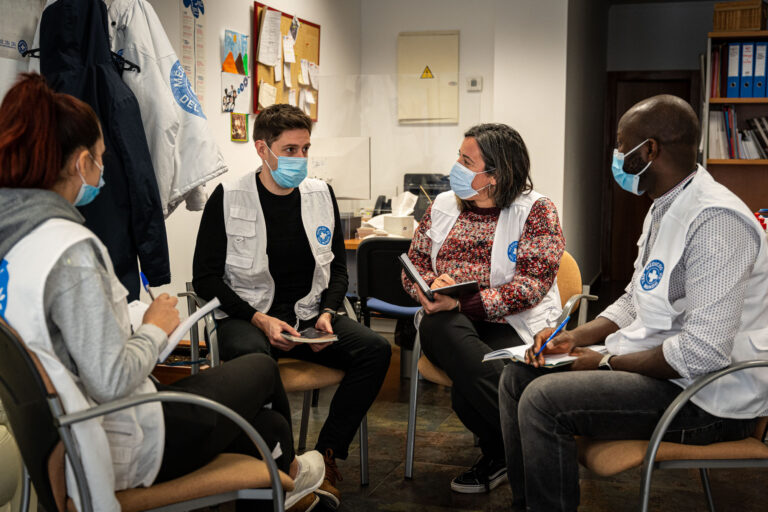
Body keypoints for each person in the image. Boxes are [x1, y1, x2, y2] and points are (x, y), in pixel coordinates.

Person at [0, 73, 325, 512]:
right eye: (101, 159)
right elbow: (111, 380)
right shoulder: (69, 250)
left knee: (265, 426)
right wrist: (155, 329)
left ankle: (289, 479)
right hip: (121, 440)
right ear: (80, 164)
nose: (103, 169)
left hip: (65, 435)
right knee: (260, 372)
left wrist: (133, 320)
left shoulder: (16, 240)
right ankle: (295, 479)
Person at [498, 94, 768, 511]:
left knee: (543, 400)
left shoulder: (717, 221)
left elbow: (702, 353)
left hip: (709, 399)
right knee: (517, 379)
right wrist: (572, 338)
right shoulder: (666, 205)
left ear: (650, 151)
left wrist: (604, 361)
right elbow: (636, 298)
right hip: (667, 373)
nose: (617, 156)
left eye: (622, 147)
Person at [192, 103, 392, 510]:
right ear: (262, 149)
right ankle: (285, 466)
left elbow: (336, 268)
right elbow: (206, 278)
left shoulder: (321, 194)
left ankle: (327, 454)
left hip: (308, 313)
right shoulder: (229, 197)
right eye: (290, 149)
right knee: (254, 361)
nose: (300, 159)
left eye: (305, 149)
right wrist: (259, 319)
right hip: (247, 314)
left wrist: (326, 313)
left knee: (375, 350)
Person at [401, 123, 565, 493]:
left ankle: (501, 452)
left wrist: (466, 302)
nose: (455, 166)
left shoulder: (537, 211)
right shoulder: (442, 205)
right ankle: (530, 440)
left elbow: (532, 284)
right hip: (448, 322)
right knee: (440, 326)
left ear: (496, 174)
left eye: (466, 160)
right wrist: (426, 290)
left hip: (512, 322)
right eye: (459, 156)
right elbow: (414, 264)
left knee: (468, 380)